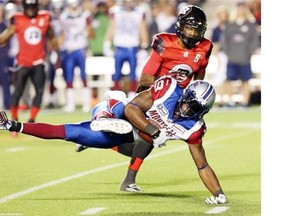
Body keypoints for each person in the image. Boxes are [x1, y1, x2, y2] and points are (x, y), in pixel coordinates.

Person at [0, 77, 227, 205]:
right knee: (118, 115)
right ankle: (102, 118)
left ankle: (11, 125)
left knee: (81, 134)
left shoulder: (194, 128)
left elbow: (202, 165)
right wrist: (154, 131)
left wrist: (218, 193)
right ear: (185, 95)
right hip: (118, 109)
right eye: (188, 103)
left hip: (128, 134)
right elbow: (131, 108)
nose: (187, 110)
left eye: (195, 109)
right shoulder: (169, 90)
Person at [76, 4, 215, 192]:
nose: (191, 34)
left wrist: (193, 93)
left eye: (195, 30)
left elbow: (200, 72)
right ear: (180, 27)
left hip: (181, 100)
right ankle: (125, 175)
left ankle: (101, 145)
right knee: (145, 136)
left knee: (144, 139)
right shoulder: (165, 43)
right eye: (188, 28)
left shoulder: (205, 47)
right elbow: (147, 76)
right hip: (157, 94)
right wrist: (159, 93)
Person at [0, 0, 59, 123]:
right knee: (17, 92)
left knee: (39, 91)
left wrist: (56, 52)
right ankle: (14, 120)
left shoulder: (45, 17)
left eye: (33, 7)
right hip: (22, 62)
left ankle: (31, 120)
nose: (31, 10)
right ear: (24, 7)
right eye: (28, 7)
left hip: (39, 61)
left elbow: (52, 36)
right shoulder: (18, 19)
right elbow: (5, 37)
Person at [103, 0, 149, 95]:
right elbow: (112, 27)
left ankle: (132, 94)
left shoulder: (139, 12)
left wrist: (144, 46)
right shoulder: (116, 11)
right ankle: (116, 95)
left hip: (133, 47)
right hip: (119, 47)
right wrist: (107, 42)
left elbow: (142, 30)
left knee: (133, 73)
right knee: (116, 73)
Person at [221, 0, 259, 108]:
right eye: (239, 7)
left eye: (243, 7)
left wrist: (248, 52)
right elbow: (224, 40)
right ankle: (230, 102)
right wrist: (228, 53)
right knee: (228, 80)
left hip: (245, 58)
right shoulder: (230, 24)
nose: (241, 9)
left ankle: (245, 102)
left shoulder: (251, 24)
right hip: (232, 57)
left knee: (246, 80)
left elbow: (255, 41)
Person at [59, 0, 94, 113]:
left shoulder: (85, 15)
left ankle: (86, 103)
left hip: (80, 49)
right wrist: (59, 49)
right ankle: (70, 104)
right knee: (69, 78)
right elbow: (63, 34)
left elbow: (92, 34)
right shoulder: (64, 17)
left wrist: (88, 30)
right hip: (69, 50)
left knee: (83, 77)